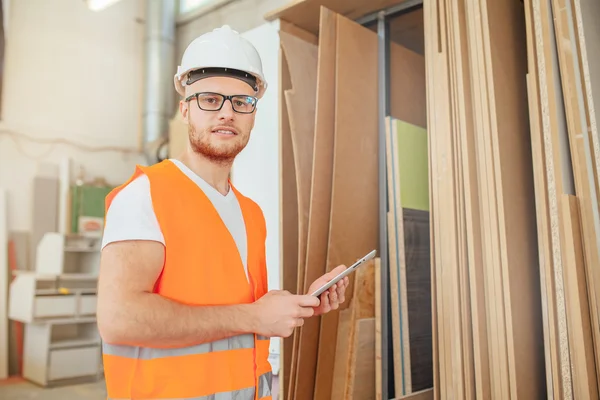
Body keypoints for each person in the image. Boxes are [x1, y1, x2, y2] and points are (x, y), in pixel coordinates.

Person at [96, 25, 349, 400]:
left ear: (253, 115)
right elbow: (120, 319)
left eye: (241, 102)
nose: (227, 113)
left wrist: (296, 307)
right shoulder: (145, 194)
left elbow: (234, 314)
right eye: (210, 100)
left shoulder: (251, 213)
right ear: (185, 110)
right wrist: (253, 317)